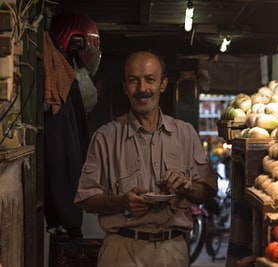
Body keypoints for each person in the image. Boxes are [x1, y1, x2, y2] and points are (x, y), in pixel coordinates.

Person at [74, 51, 218, 267]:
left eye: (150, 79)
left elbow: (208, 191)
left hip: (172, 250)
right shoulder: (105, 137)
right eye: (134, 81)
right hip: (121, 251)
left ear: (163, 84)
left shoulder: (185, 134)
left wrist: (188, 186)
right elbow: (86, 198)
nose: (142, 89)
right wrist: (122, 202)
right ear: (125, 87)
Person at [44, 12, 101, 239]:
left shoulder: (66, 81)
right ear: (75, 42)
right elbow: (64, 155)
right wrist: (71, 220)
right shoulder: (62, 87)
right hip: (65, 206)